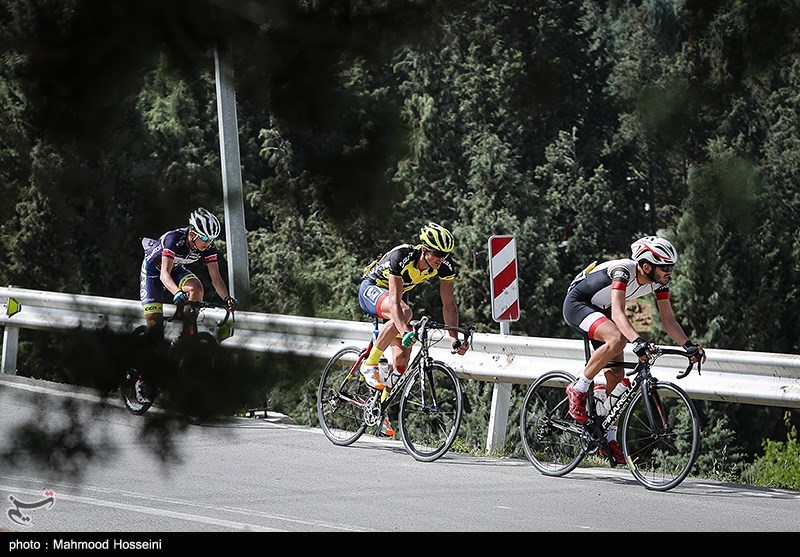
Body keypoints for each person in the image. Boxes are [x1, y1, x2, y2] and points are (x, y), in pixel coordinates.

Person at [562, 235, 706, 464]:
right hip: (579, 303)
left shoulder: (659, 282)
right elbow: (619, 314)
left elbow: (669, 321)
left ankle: (607, 439)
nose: (670, 272)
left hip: (603, 309)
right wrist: (637, 341)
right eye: (665, 267)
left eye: (672, 267)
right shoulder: (623, 271)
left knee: (618, 379)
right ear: (647, 265)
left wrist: (688, 346)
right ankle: (578, 387)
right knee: (617, 338)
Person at [357, 222, 470, 436]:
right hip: (373, 288)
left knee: (402, 360)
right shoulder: (402, 256)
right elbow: (396, 301)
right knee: (406, 313)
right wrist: (406, 330)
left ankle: (379, 410)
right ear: (425, 250)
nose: (442, 259)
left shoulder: (444, 266)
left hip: (397, 298)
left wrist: (454, 338)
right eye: (437, 253)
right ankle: (369, 364)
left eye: (446, 255)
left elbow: (449, 305)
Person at [137, 207, 238, 403]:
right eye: (205, 239)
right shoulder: (174, 239)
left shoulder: (208, 247)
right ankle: (142, 380)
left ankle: (186, 335)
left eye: (211, 240)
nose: (208, 243)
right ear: (193, 233)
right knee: (155, 328)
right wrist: (176, 293)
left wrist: (227, 299)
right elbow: (163, 275)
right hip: (153, 273)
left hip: (175, 270)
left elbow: (215, 278)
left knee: (197, 288)